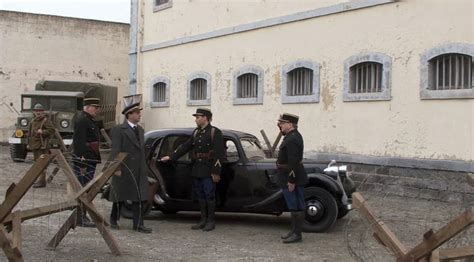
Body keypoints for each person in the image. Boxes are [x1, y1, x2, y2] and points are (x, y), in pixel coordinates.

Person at [161, 108, 224, 231]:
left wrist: (216, 172)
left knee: (209, 195)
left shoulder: (215, 132)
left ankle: (211, 221)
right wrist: (171, 156)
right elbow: (185, 146)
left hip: (208, 169)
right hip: (197, 168)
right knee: (200, 195)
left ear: (205, 117)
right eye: (196, 117)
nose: (196, 119)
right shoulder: (197, 132)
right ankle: (203, 220)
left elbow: (219, 154)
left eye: (198, 117)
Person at [108, 102, 151, 233]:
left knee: (139, 196)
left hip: (138, 167)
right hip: (125, 166)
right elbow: (115, 149)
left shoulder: (140, 130)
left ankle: (138, 224)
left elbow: (141, 150)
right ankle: (114, 219)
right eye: (137, 113)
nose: (139, 115)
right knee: (119, 195)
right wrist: (116, 168)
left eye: (139, 113)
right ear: (129, 115)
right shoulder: (119, 129)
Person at [276, 113, 308, 244]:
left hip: (292, 177)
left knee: (296, 206)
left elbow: (294, 161)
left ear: (290, 124)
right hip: (288, 175)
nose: (280, 125)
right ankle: (294, 231)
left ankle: (297, 234)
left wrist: (291, 180)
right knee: (293, 206)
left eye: (282, 123)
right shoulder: (290, 136)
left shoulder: (293, 138)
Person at [72, 97, 102, 227]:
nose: (97, 110)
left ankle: (82, 215)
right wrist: (81, 157)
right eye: (95, 108)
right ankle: (80, 216)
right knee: (83, 188)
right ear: (88, 107)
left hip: (91, 157)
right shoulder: (82, 120)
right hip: (84, 160)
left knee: (88, 188)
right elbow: (78, 141)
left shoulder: (89, 120)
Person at [28, 103, 55, 188]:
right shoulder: (33, 121)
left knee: (42, 164)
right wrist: (28, 144)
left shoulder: (46, 120)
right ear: (34, 112)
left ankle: (42, 181)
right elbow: (29, 134)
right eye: (36, 111)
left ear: (42, 112)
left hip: (42, 146)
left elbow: (52, 130)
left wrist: (42, 132)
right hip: (34, 145)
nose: (38, 112)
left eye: (39, 111)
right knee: (36, 163)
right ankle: (36, 179)